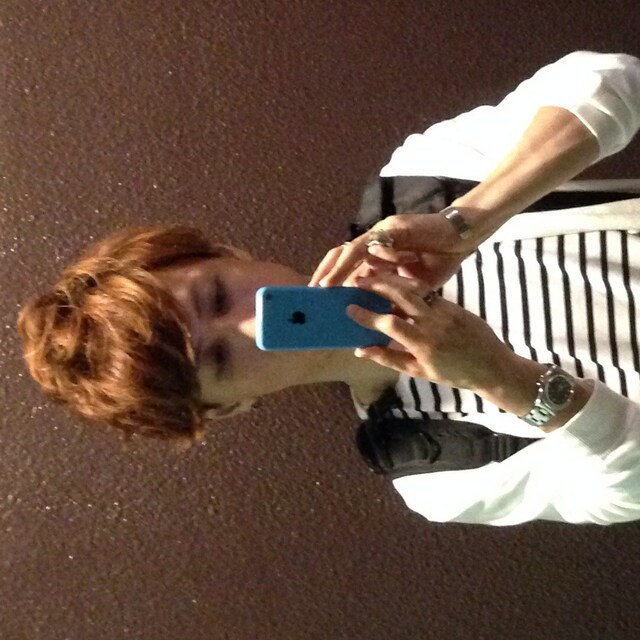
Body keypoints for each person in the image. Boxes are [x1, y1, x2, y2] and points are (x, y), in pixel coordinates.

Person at [18, 51, 640, 526]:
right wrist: (502, 377)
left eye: (217, 297)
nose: (250, 325)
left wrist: (468, 220)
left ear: (229, 256)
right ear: (230, 406)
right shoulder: (432, 463)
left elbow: (614, 78)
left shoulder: (417, 188)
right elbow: (626, 492)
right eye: (220, 358)